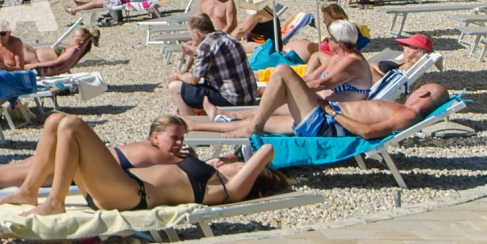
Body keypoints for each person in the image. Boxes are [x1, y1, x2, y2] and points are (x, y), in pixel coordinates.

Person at [0, 112, 288, 217]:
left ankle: (55, 202)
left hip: (131, 193)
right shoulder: (212, 177)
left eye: (243, 166)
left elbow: (267, 150)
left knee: (72, 124)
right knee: (56, 120)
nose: (237, 164)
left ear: (248, 175)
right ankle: (29, 191)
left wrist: (237, 162)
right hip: (118, 186)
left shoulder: (229, 189)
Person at [0, 114, 190, 198]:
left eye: (181, 139)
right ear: (155, 136)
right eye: (174, 137)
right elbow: (189, 170)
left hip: (62, 157)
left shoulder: (145, 147)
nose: (178, 144)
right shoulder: (159, 155)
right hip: (68, 166)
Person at [191, 75, 450, 141]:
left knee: (282, 73)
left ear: (424, 93)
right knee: (263, 119)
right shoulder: (406, 113)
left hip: (327, 123)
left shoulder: (408, 114)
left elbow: (368, 132)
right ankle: (198, 123)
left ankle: (251, 126)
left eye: (419, 88)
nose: (414, 91)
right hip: (325, 121)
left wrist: (332, 112)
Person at [167, 14, 257, 114]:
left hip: (232, 99)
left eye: (190, 33)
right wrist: (192, 54)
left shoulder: (205, 47)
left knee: (175, 87)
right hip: (248, 95)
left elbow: (193, 79)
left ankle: (189, 120)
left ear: (196, 33)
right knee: (193, 86)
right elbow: (213, 58)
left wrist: (177, 76)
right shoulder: (225, 36)